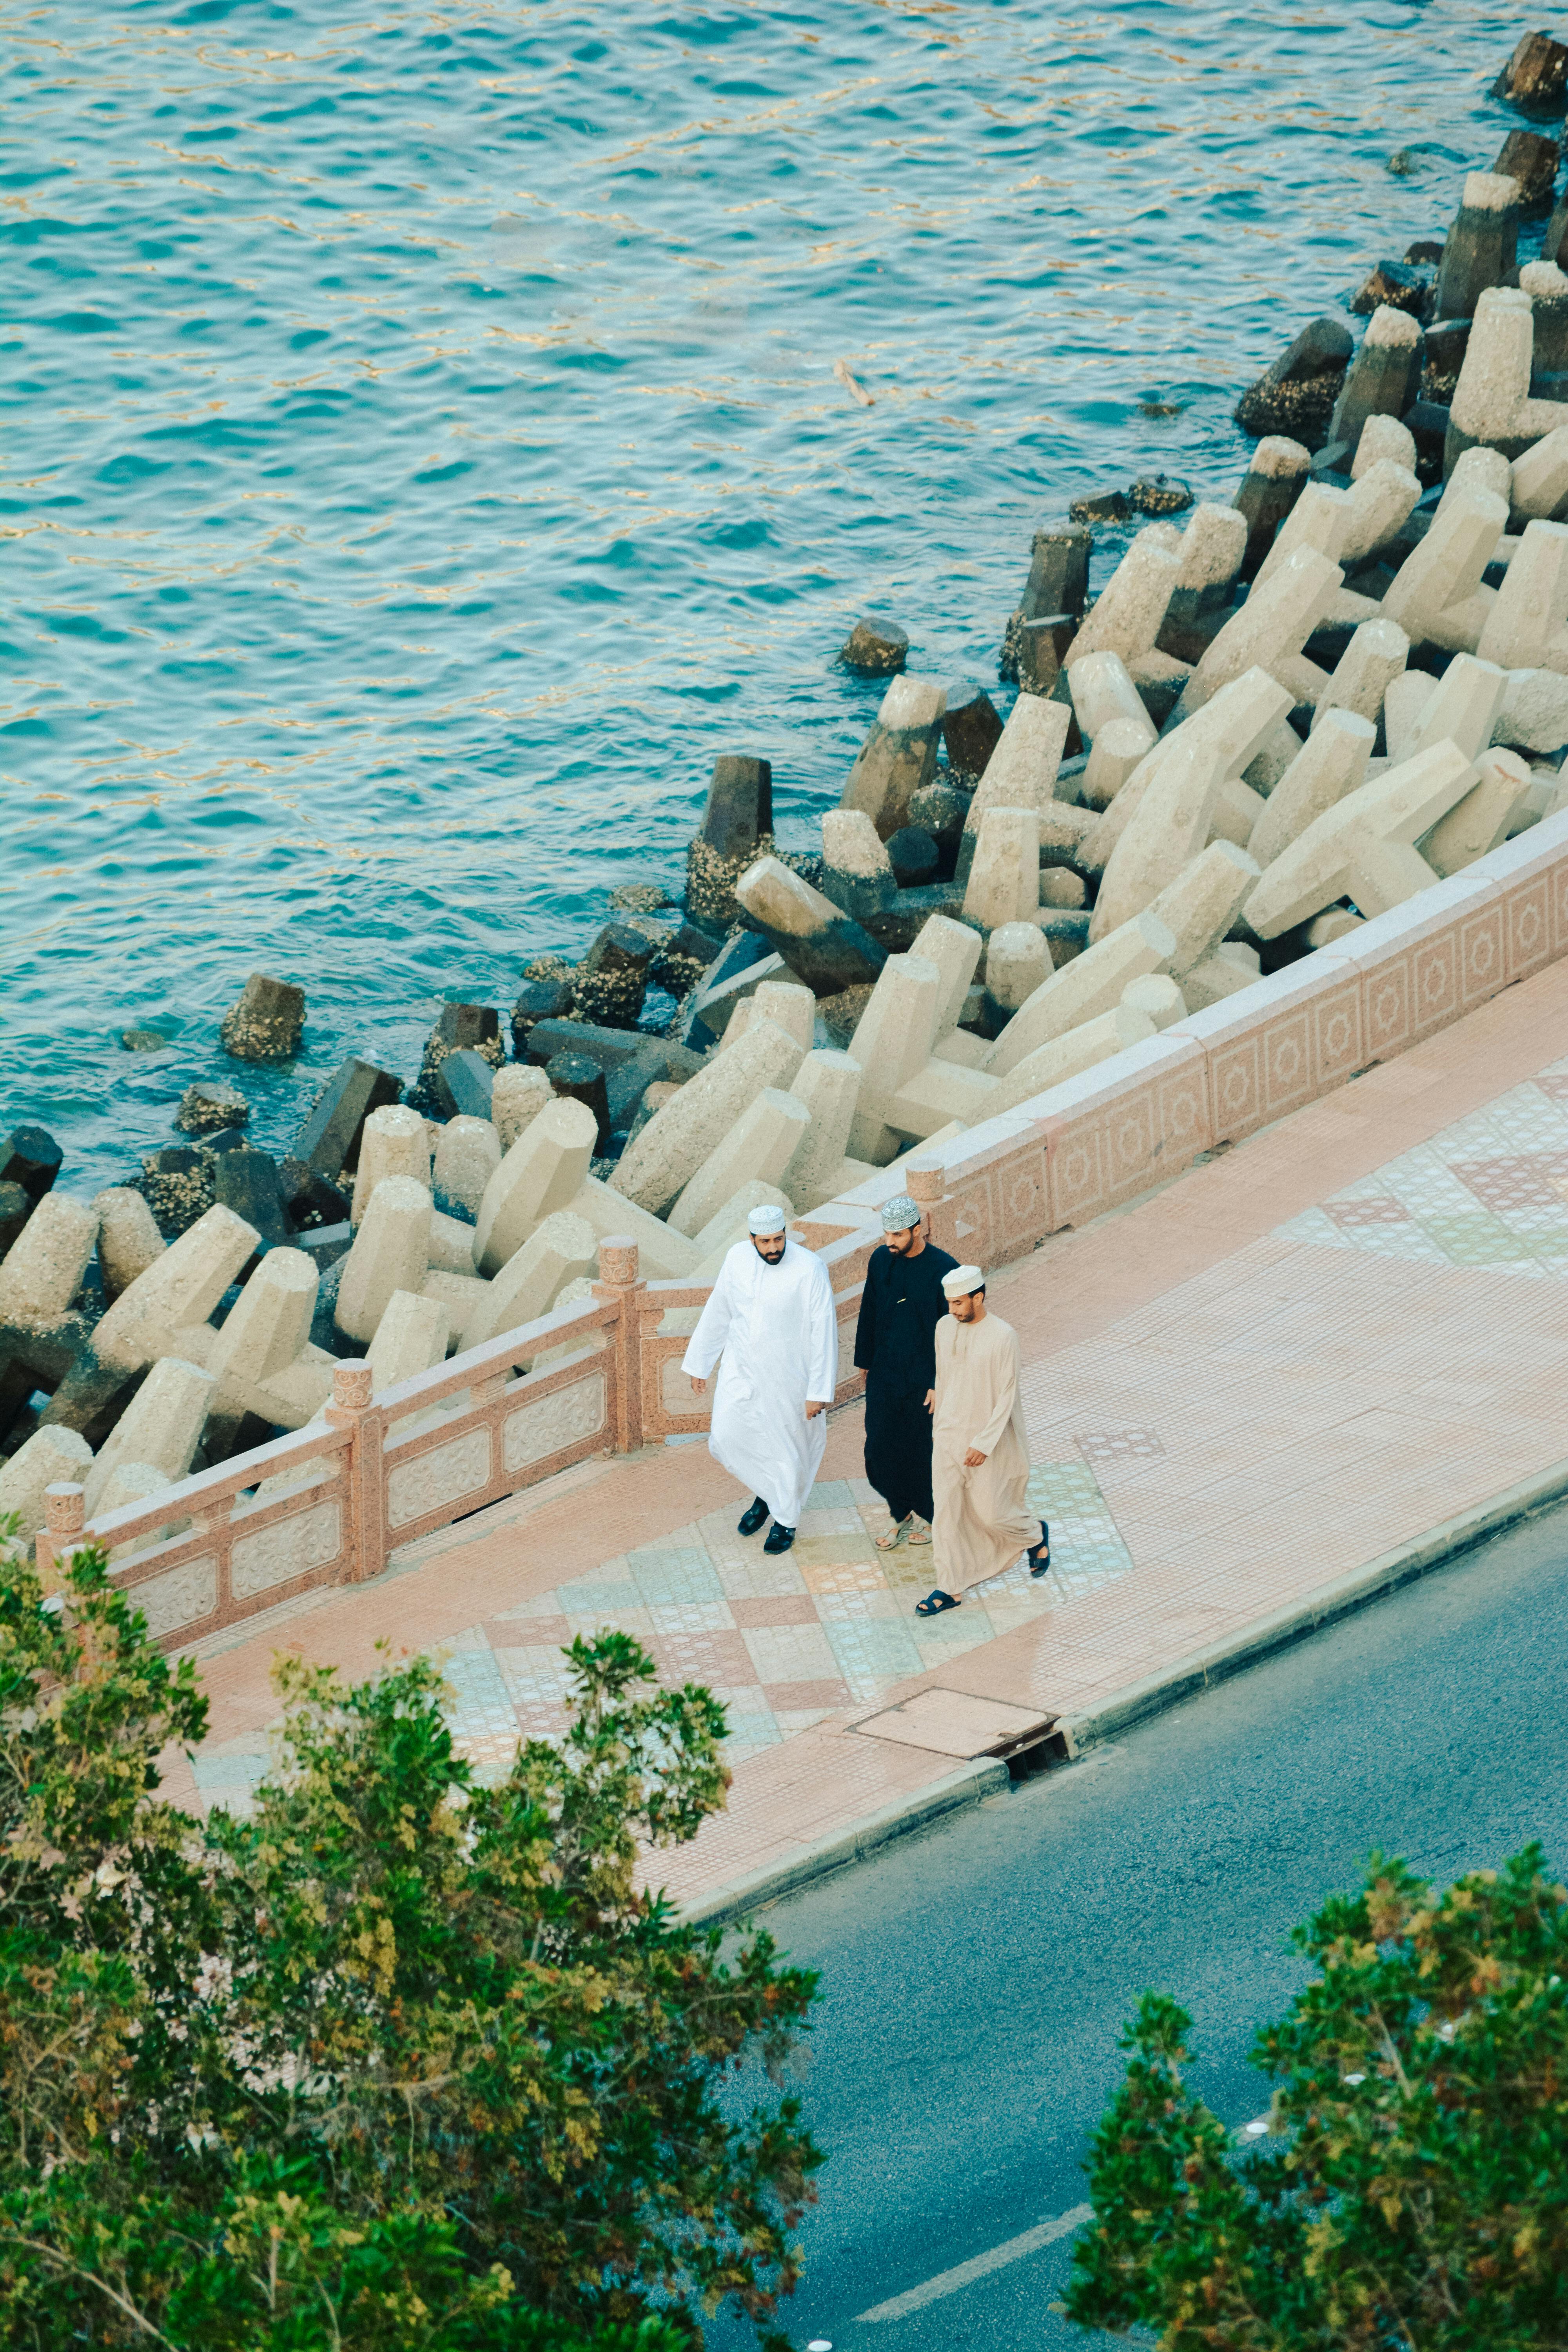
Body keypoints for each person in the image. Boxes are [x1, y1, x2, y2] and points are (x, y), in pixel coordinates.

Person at [682, 1202, 838, 1555]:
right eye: (765, 1242)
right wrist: (699, 1364)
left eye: (779, 1240)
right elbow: (719, 1309)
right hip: (740, 1370)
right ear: (751, 1239)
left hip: (789, 1377)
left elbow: (823, 1332)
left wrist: (818, 1391)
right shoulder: (737, 1258)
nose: (773, 1249)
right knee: (726, 1436)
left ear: (786, 1234)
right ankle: (768, 1496)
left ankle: (786, 1521)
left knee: (785, 1449)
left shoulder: (810, 1268)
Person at [916, 1264, 1048, 1617]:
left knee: (991, 1513)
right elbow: (945, 1373)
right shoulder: (945, 1328)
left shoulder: (1003, 1335)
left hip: (986, 1444)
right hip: (946, 1437)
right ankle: (950, 1587)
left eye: (959, 1303)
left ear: (979, 1297)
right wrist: (937, 1401)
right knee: (945, 1514)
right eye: (949, 1304)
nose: (953, 1311)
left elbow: (1007, 1396)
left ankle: (1034, 1535)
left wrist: (983, 1444)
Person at [853, 1192, 956, 1552]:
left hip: (922, 1381)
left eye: (897, 1235)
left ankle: (928, 1515)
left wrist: (936, 1382)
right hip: (885, 1373)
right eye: (886, 1235)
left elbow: (952, 1333)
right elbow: (870, 1309)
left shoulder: (944, 1270)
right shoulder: (881, 1260)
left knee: (918, 1450)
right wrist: (864, 1361)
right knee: (879, 1448)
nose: (890, 1242)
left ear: (918, 1229)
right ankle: (901, 1513)